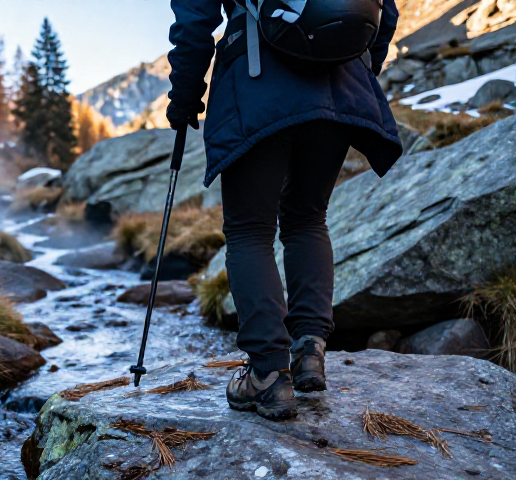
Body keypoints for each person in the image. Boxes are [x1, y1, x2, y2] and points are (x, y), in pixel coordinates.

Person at [166, 0, 403, 420]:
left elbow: (195, 17)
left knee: (249, 231)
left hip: (257, 79)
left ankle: (268, 374)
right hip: (338, 83)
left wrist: (185, 94)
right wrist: (355, 64)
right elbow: (385, 11)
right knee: (308, 219)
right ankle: (309, 350)